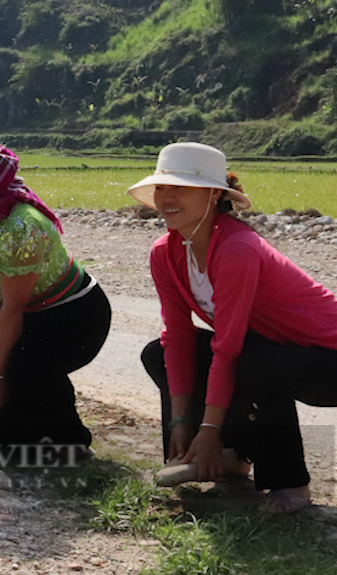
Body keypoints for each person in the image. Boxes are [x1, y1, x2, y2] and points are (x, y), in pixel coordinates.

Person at [132, 142, 337, 513]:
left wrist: (208, 428)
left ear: (213, 195)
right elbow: (176, 336)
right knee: (159, 354)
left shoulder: (237, 249)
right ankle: (228, 456)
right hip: (271, 349)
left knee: (250, 360)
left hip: (327, 359)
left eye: (181, 187)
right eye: (162, 187)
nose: (167, 197)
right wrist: (182, 422)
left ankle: (289, 484)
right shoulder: (165, 252)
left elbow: (228, 348)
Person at [0, 135, 111, 452]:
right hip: (14, 312)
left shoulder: (21, 227)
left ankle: (66, 440)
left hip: (72, 315)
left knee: (18, 362)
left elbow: (13, 307)